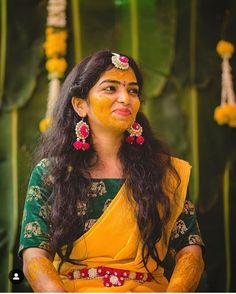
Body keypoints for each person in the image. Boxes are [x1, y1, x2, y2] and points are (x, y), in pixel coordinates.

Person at [19, 50, 205, 292]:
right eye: (110, 88)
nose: (125, 99)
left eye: (133, 90)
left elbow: (190, 253)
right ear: (80, 104)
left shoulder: (165, 173)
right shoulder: (52, 173)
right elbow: (34, 257)